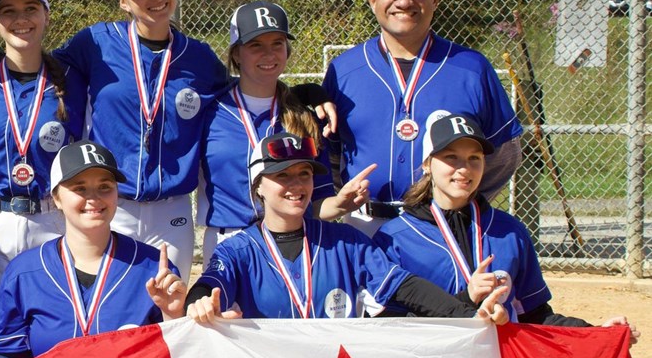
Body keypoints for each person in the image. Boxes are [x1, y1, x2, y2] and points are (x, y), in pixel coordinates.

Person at [0, 0, 228, 266]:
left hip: (173, 209)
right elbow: (31, 60)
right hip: (110, 205)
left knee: (169, 294)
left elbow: (235, 106)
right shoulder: (96, 43)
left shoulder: (200, 58)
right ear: (123, 0)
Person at [185, 132, 510, 324]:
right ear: (258, 186)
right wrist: (196, 305)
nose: (296, 185)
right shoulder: (238, 250)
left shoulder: (346, 242)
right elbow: (209, 287)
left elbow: (405, 288)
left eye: (304, 174)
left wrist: (467, 315)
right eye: (282, 175)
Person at [374, 113, 639, 336]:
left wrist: (597, 333)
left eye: (474, 158)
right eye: (451, 157)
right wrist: (466, 300)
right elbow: (388, 330)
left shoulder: (509, 231)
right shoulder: (395, 238)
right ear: (427, 164)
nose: (464, 168)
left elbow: (536, 316)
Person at [321, 0, 523, 235]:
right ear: (372, 1)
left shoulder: (471, 68)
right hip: (363, 226)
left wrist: (460, 201)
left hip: (443, 226)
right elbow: (328, 152)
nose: (404, 1)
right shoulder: (344, 70)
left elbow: (503, 153)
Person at [0, 142, 186, 358]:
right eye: (79, 188)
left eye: (105, 187)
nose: (94, 198)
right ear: (56, 198)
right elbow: (8, 356)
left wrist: (173, 316)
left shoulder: (153, 269)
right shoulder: (24, 272)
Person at [196, 1, 371, 265]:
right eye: (256, 45)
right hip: (228, 239)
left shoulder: (303, 117)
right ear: (236, 54)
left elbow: (317, 203)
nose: (269, 54)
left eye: (277, 43)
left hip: (293, 239)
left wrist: (340, 204)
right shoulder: (209, 112)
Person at [0, 0, 85, 284]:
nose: (20, 19)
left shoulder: (74, 79)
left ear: (46, 15)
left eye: (30, 8)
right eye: (8, 11)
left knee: (50, 311)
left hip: (51, 219)